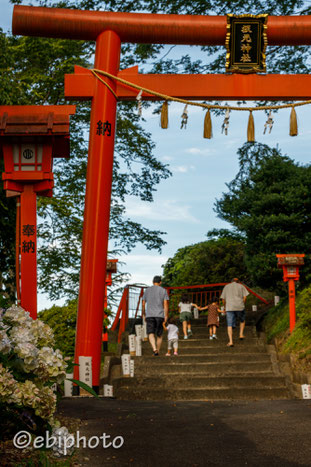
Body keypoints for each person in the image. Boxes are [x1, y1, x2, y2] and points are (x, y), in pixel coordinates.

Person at [142, 275, 169, 356]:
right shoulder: (163, 291)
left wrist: (144, 314)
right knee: (159, 334)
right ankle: (158, 350)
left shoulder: (147, 290)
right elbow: (165, 304)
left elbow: (143, 304)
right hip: (160, 315)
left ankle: (154, 349)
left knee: (151, 333)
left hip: (149, 315)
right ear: (160, 282)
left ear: (152, 282)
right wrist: (166, 315)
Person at [220, 278, 249, 347]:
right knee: (242, 320)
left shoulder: (226, 286)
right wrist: (242, 304)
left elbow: (223, 299)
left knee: (229, 324)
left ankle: (231, 341)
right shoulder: (241, 286)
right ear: (238, 282)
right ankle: (241, 334)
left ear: (231, 282)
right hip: (239, 306)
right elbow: (245, 297)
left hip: (229, 307)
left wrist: (225, 307)